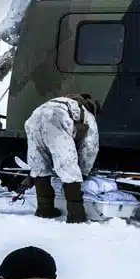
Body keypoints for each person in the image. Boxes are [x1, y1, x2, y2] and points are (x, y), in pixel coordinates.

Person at [24, 91, 102, 223]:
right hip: (56, 119)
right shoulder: (87, 114)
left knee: (39, 166)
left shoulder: (64, 102)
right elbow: (90, 147)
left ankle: (45, 209)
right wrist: (82, 172)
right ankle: (76, 216)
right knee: (68, 167)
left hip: (34, 117)